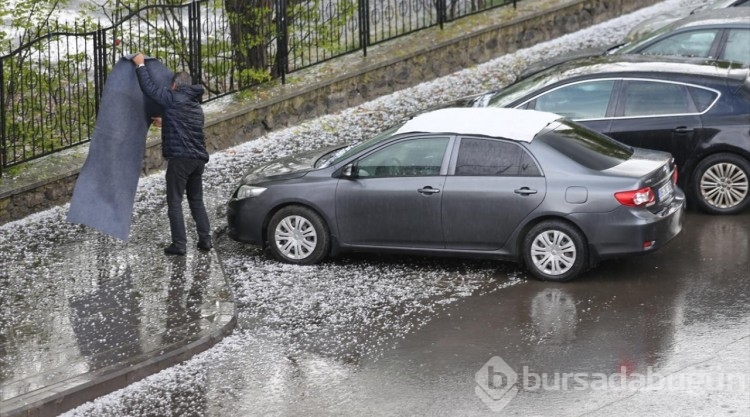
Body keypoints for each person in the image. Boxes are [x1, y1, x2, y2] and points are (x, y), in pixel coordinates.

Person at [132, 53, 212, 255]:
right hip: (197, 160)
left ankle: (179, 244)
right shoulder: (195, 106)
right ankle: (205, 240)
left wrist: (140, 65)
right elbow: (188, 127)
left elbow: (149, 89)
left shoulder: (171, 97)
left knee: (174, 201)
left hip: (180, 160)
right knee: (196, 200)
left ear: (175, 85)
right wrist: (166, 121)